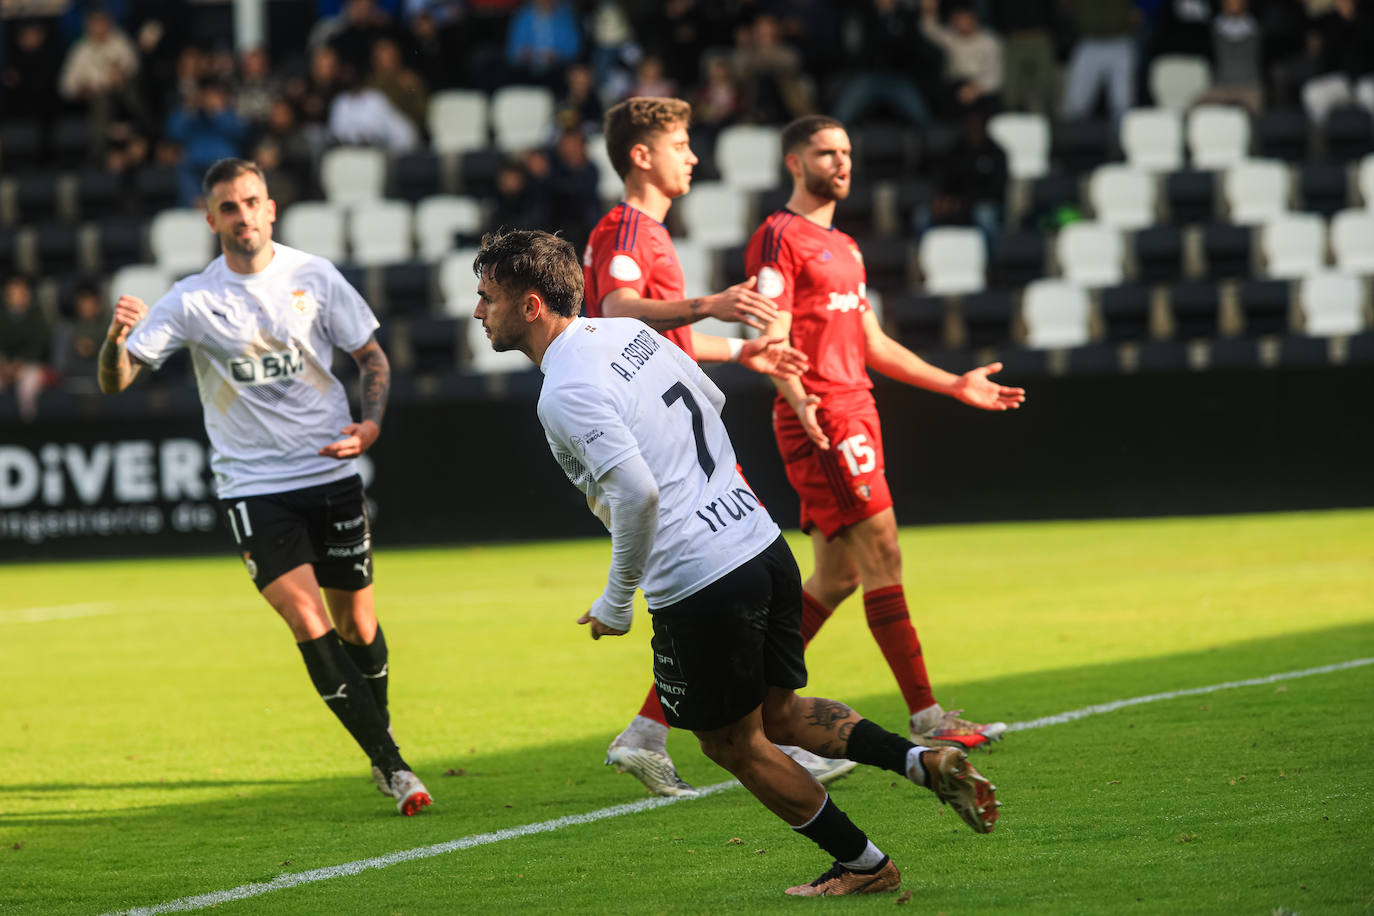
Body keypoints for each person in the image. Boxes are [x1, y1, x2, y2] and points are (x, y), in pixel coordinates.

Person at [471, 227, 1001, 897]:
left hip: (699, 579)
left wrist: (615, 599)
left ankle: (864, 865)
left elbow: (637, 493)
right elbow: (711, 398)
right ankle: (920, 762)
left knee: (731, 744)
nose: (477, 310)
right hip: (760, 543)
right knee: (781, 715)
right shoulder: (624, 334)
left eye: (487, 296)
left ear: (530, 306)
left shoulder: (566, 388)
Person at [96, 158, 431, 817]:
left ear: (271, 207)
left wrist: (370, 427)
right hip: (254, 486)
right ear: (210, 217)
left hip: (331, 473)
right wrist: (114, 342)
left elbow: (372, 357)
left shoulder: (314, 277)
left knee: (357, 625)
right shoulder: (193, 298)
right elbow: (117, 380)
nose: (243, 216)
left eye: (252, 202)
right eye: (229, 206)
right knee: (307, 620)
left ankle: (378, 731)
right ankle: (393, 767)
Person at [746, 116, 1026, 750]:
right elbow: (771, 337)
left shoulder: (844, 245)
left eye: (846, 151)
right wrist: (801, 398)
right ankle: (929, 718)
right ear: (794, 163)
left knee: (838, 578)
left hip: (853, 409)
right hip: (824, 415)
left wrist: (955, 383)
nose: (841, 162)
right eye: (825, 152)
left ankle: (750, 702)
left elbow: (870, 341)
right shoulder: (778, 237)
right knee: (884, 556)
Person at [584, 96, 825, 797]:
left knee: (714, 587)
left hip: (662, 436)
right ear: (641, 155)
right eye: (681, 144)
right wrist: (711, 302)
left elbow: (669, 342)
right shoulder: (630, 229)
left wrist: (744, 352)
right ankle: (774, 734)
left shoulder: (640, 231)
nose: (692, 156)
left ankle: (654, 733)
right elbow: (619, 313)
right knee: (732, 575)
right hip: (664, 445)